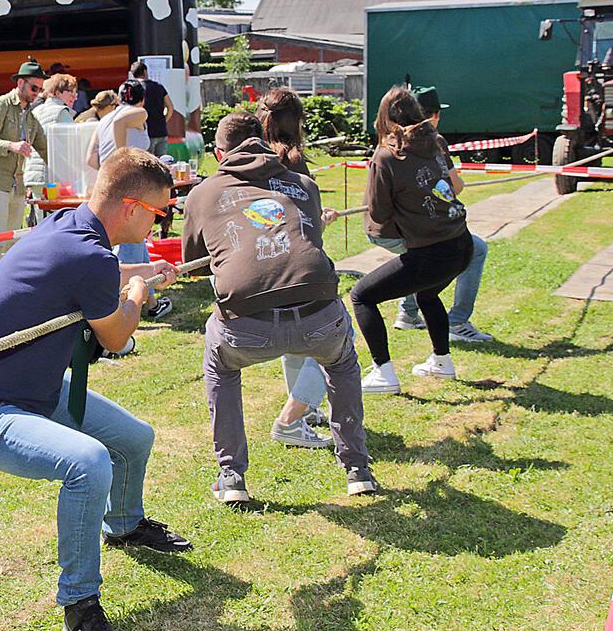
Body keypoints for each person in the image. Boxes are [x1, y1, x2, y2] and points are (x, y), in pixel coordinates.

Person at [0, 148, 191, 631]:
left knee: (133, 438)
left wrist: (136, 275)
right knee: (88, 462)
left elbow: (89, 280)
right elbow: (119, 336)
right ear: (130, 207)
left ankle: (123, 523)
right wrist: (138, 292)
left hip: (32, 393)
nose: (158, 222)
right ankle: (79, 603)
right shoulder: (91, 256)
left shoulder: (70, 227)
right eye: (159, 213)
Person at [183, 112, 375, 503]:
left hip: (245, 325)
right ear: (267, 143)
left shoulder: (201, 194)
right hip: (319, 312)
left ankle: (231, 475)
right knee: (340, 362)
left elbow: (194, 259)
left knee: (219, 365)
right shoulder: (303, 184)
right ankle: (357, 469)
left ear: (219, 153)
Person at [352, 87, 474, 395]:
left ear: (385, 119)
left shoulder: (387, 156)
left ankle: (383, 373)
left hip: (432, 252)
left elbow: (378, 214)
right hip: (462, 243)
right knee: (427, 296)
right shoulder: (436, 140)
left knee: (361, 296)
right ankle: (442, 362)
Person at [257, 88, 340, 448]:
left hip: (261, 264)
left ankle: (302, 408)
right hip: (294, 266)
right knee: (332, 339)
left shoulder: (250, 158)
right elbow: (303, 224)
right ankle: (292, 418)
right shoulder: (293, 162)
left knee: (298, 342)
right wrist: (322, 220)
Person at [390, 86, 494, 344]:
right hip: (424, 226)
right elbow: (454, 187)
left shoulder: (391, 142)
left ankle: (408, 312)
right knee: (475, 249)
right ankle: (457, 322)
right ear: (434, 115)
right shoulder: (434, 140)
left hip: (397, 225)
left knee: (419, 256)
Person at [88, 80, 170, 321]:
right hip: (131, 192)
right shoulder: (138, 112)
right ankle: (119, 309)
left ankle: (152, 302)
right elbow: (121, 123)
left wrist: (109, 170)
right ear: (142, 100)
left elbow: (91, 158)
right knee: (128, 250)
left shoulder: (103, 120)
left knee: (136, 243)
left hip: (109, 190)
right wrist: (123, 159)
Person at [0, 59, 49, 275]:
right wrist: (11, 146)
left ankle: (10, 288)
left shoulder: (31, 117)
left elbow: (46, 150)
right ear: (20, 84)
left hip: (17, 184)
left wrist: (68, 173)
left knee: (14, 242)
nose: (37, 93)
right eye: (34, 88)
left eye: (40, 89)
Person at [23, 72, 78, 194]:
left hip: (33, 175)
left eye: (75, 93)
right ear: (57, 93)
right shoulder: (61, 112)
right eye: (71, 92)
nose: (74, 97)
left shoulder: (35, 111)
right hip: (52, 176)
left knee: (41, 211)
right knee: (56, 212)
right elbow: (73, 146)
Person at [131, 60, 175, 157]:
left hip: (144, 133)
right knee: (162, 163)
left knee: (148, 165)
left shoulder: (133, 89)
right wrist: (164, 120)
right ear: (145, 72)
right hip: (161, 131)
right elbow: (170, 107)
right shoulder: (159, 87)